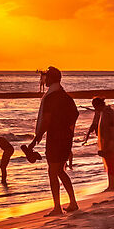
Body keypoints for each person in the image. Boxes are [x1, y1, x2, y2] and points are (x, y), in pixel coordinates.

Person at [30, 67, 79, 213]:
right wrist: (69, 132)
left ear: (51, 79)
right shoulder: (66, 97)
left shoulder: (51, 98)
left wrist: (35, 140)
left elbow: (46, 122)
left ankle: (57, 207)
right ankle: (73, 202)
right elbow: (75, 115)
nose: (44, 80)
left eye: (46, 77)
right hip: (65, 138)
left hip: (55, 139)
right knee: (60, 171)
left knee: (53, 172)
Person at [86, 95, 114, 192]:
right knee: (112, 162)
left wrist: (107, 145)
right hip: (111, 140)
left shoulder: (106, 113)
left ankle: (112, 186)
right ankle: (111, 185)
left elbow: (109, 129)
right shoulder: (106, 112)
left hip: (111, 140)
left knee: (111, 163)